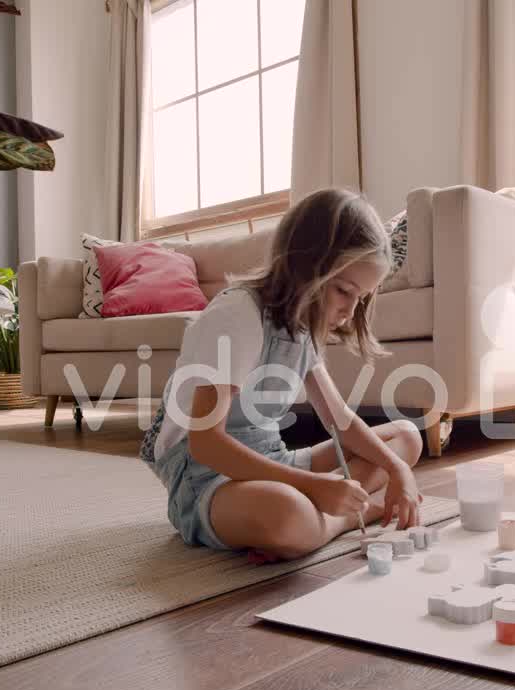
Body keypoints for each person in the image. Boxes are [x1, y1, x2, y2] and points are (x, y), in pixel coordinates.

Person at [141, 188, 423, 561]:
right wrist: (314, 487)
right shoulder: (236, 316)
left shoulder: (301, 325)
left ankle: (312, 520)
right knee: (288, 514)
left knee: (405, 437)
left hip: (273, 463)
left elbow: (340, 421)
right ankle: (342, 517)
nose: (349, 310)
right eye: (343, 290)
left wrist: (398, 468)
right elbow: (206, 445)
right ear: (306, 263)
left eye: (362, 298)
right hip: (206, 478)